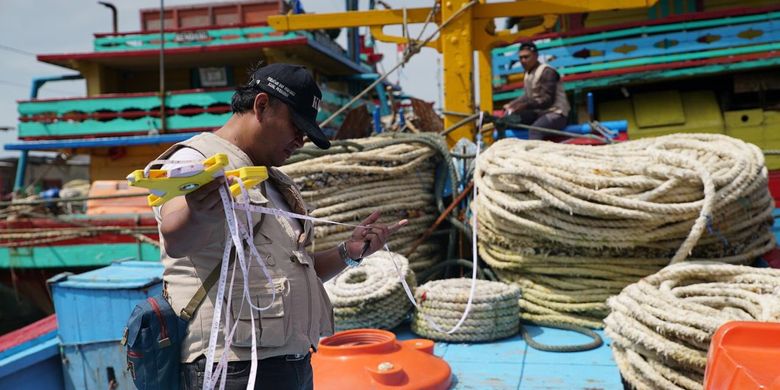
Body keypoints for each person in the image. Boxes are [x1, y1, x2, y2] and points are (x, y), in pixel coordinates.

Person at [153, 63, 407, 389]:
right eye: (296, 126)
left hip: (292, 363)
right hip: (234, 369)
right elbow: (175, 237)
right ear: (261, 105)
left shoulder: (272, 178)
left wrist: (349, 252)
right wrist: (197, 214)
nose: (301, 140)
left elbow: (297, 271)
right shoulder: (195, 162)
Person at [502, 42, 571, 140]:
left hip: (556, 114)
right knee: (508, 121)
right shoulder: (528, 73)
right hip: (539, 114)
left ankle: (534, 155)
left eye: (526, 57)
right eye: (521, 58)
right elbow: (527, 96)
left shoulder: (547, 72)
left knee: (535, 131)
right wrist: (512, 104)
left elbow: (547, 101)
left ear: (536, 56)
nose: (523, 61)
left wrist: (525, 106)